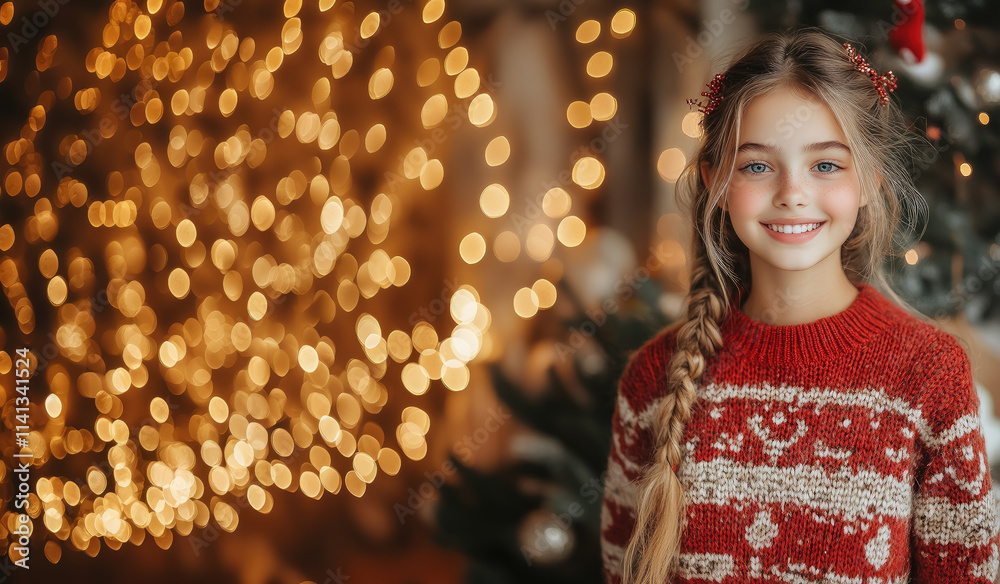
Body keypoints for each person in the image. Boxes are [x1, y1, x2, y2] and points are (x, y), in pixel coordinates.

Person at [599, 26, 1000, 584]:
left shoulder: (929, 375)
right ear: (716, 181)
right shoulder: (653, 379)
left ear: (868, 180)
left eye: (826, 165)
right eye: (757, 166)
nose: (792, 193)